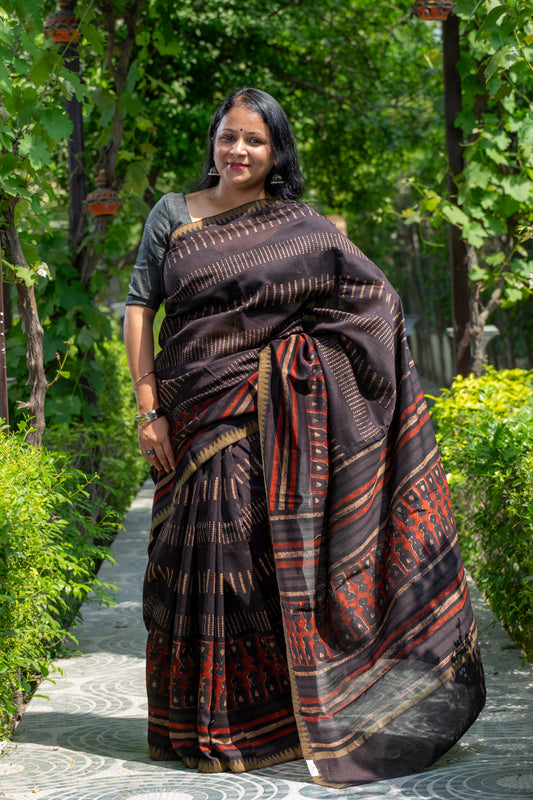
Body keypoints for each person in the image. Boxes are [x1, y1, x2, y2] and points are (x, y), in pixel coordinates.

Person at [124, 87, 485, 788]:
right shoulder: (171, 214)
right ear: (213, 139)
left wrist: (291, 363)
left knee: (245, 572)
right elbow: (142, 308)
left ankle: (261, 730)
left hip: (263, 426)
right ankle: (191, 726)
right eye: (229, 137)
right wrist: (148, 409)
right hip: (186, 411)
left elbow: (375, 301)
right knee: (181, 571)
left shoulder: (303, 228)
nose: (238, 151)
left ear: (275, 152)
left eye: (254, 142)